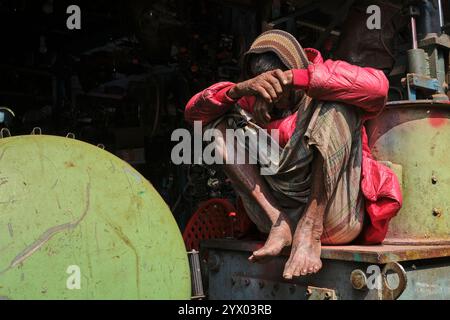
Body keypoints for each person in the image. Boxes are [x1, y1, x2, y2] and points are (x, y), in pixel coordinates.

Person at [184, 30, 401, 279]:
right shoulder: (253, 98)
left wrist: (297, 79)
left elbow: (379, 89)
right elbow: (194, 114)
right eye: (264, 85)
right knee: (213, 126)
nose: (274, 97)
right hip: (274, 220)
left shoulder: (317, 73)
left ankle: (310, 229)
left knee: (337, 101)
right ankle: (280, 224)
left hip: (331, 218)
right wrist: (239, 90)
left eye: (278, 86)